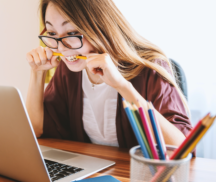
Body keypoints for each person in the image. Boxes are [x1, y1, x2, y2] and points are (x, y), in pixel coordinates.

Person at [26, 0, 192, 149]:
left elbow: (181, 148)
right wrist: (37, 73)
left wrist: (122, 85)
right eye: (52, 34)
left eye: (71, 33)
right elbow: (36, 129)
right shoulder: (69, 70)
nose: (61, 48)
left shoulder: (150, 68)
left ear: (99, 26)